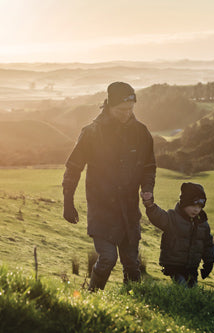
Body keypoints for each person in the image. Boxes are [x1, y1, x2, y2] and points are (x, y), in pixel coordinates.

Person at [62, 81, 156, 291]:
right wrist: (68, 201)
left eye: (131, 109)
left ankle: (134, 303)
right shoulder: (92, 132)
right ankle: (91, 297)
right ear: (109, 106)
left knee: (132, 264)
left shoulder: (141, 132)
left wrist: (147, 188)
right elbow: (73, 168)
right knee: (108, 258)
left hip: (129, 211)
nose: (127, 114)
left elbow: (149, 166)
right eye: (121, 110)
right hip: (102, 209)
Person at [142, 182, 214, 287]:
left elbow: (208, 244)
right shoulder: (172, 218)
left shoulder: (203, 224)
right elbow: (159, 217)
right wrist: (150, 206)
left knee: (192, 292)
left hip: (192, 268)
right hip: (174, 266)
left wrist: (209, 263)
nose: (196, 209)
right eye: (193, 205)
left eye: (199, 206)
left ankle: (182, 302)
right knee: (182, 288)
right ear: (184, 203)